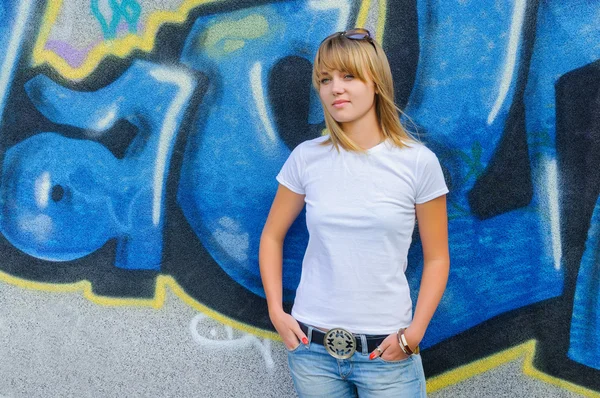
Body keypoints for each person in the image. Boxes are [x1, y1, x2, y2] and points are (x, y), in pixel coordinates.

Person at [259, 28, 449, 397]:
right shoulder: (307, 157)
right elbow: (271, 236)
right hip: (313, 353)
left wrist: (414, 335)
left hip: (388, 354)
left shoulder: (417, 163)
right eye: (326, 79)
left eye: (349, 76)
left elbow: (438, 256)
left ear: (375, 82)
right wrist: (277, 313)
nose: (335, 89)